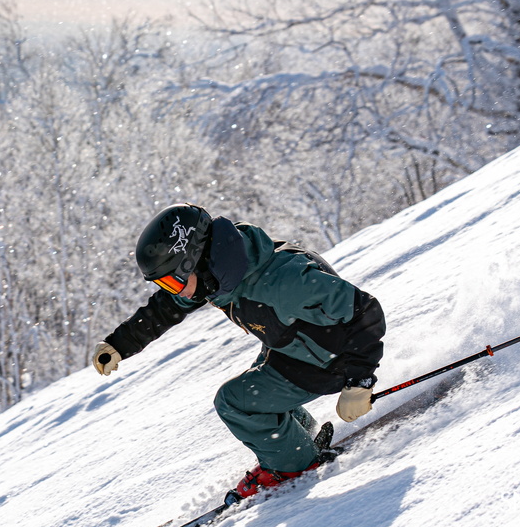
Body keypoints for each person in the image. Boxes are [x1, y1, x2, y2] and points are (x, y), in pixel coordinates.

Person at [92, 204, 386, 499]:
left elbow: (364, 311)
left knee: (234, 402)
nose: (174, 290)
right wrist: (120, 344)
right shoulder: (221, 271)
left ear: (193, 261)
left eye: (172, 280)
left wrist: (359, 383)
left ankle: (295, 465)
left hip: (333, 359)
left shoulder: (282, 281)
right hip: (294, 347)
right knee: (255, 384)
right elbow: (167, 306)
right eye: (163, 283)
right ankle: (295, 438)